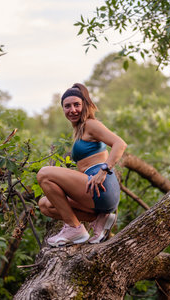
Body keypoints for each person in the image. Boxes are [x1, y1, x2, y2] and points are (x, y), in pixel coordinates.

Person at [37, 83, 127, 247]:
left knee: (44, 174)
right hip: (94, 192)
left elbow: (120, 144)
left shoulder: (90, 124)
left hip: (101, 186)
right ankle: (99, 218)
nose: (72, 110)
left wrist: (103, 170)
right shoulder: (80, 130)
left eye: (76, 104)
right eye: (67, 106)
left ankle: (74, 228)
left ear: (85, 105)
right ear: (62, 109)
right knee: (45, 205)